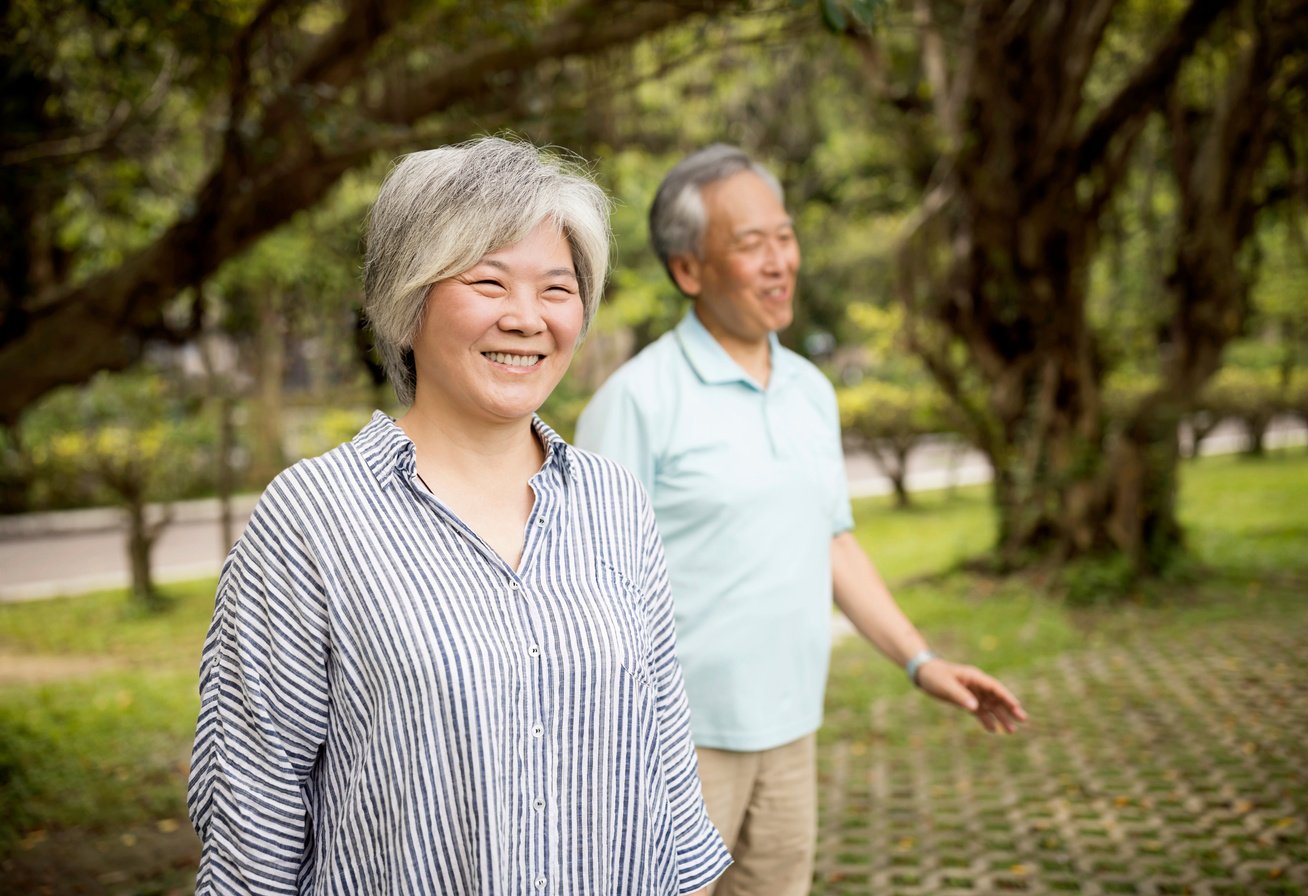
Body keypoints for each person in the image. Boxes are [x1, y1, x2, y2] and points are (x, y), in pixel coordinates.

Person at [187, 137, 731, 895]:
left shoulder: (615, 501)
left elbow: (666, 756)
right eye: (488, 282)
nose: (526, 318)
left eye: (556, 288)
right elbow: (256, 813)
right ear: (408, 305)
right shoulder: (313, 519)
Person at [575, 144, 1028, 896]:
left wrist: (923, 662)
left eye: (784, 237)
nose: (779, 260)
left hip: (790, 730)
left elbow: (832, 542)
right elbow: (590, 591)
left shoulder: (810, 391)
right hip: (675, 746)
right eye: (751, 244)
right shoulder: (635, 402)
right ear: (689, 270)